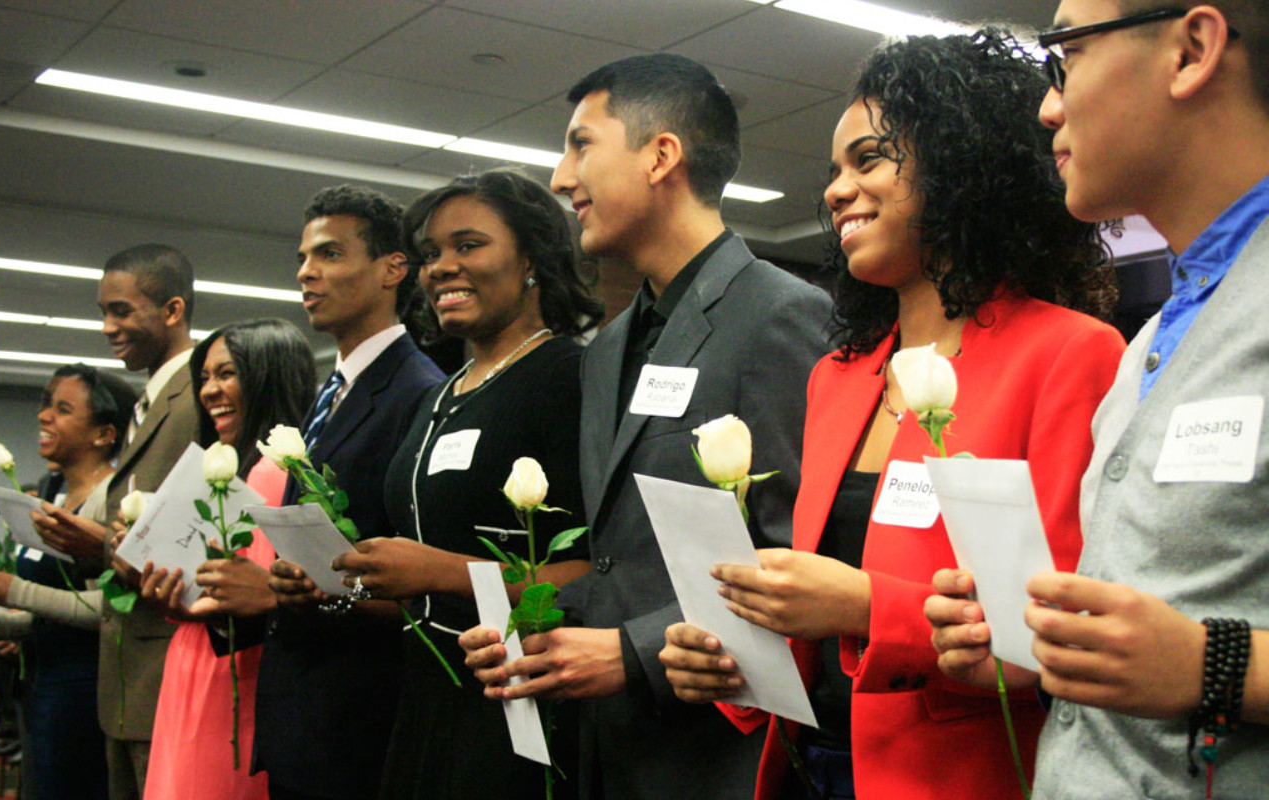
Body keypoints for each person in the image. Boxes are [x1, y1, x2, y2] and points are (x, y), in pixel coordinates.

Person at [658, 30, 1127, 800]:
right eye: (834, 171)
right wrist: (737, 653)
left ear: (961, 170)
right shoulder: (837, 377)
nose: (838, 190)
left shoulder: (1070, 353)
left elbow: (1054, 630)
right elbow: (815, 620)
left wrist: (864, 606)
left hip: (956, 777)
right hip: (805, 767)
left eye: (869, 160)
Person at [459, 54, 833, 800]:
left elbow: (796, 554)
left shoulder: (781, 316)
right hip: (613, 749)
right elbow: (619, 559)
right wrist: (538, 624)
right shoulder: (606, 351)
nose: (563, 179)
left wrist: (630, 654)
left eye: (581, 144)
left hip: (720, 754)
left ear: (662, 155)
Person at [926, 3, 1269, 798]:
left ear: (1190, 49)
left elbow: (1191, 651)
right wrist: (1036, 653)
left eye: (1066, 55)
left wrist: (1212, 666)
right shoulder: (1149, 341)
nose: (1049, 104)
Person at [326, 169, 603, 799]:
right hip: (427, 697)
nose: (441, 267)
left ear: (532, 257)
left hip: (521, 705)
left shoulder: (570, 377)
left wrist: (442, 572)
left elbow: (595, 571)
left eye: (468, 245)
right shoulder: (444, 392)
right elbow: (423, 574)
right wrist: (337, 583)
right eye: (431, 253)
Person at [257, 184, 444, 800]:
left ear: (395, 269)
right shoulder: (327, 392)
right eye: (303, 259)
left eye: (330, 255)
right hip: (304, 711)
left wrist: (329, 595)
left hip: (362, 718)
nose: (307, 273)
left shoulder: (421, 393)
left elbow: (423, 569)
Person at [34, 243, 201, 800]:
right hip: (125, 683)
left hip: (164, 674)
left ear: (173, 311)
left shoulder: (197, 396)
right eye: (104, 311)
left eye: (122, 311)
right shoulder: (148, 403)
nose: (108, 326)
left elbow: (197, 544)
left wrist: (103, 540)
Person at [136, 319, 316, 800]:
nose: (209, 390)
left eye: (227, 374)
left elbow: (249, 590)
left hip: (235, 670)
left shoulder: (276, 470)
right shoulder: (224, 463)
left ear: (266, 377)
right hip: (193, 659)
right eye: (204, 377)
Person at [0, 363, 136, 800]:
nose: (43, 416)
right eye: (45, 405)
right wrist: (4, 620)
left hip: (84, 692)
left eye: (63, 409)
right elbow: (46, 617)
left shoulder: (110, 502)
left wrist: (14, 591)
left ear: (104, 434)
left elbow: (106, 608)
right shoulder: (54, 496)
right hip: (43, 684)